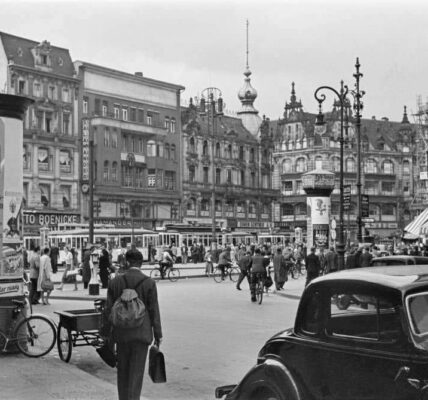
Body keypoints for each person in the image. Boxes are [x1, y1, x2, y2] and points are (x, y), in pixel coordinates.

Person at [103, 249, 162, 400]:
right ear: (141, 264)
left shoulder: (115, 282)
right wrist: (158, 335)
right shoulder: (149, 283)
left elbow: (108, 310)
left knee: (122, 372)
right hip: (141, 335)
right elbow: (154, 310)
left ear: (126, 262)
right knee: (136, 374)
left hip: (121, 334)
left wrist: (105, 334)